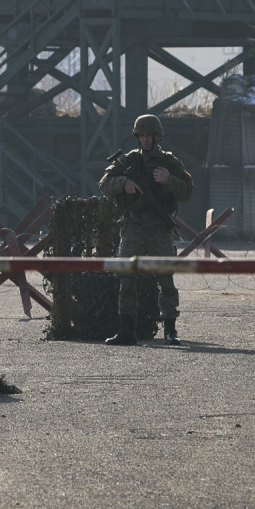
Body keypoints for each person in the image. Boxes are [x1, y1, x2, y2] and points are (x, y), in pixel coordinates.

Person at [99, 114, 193, 346]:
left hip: (159, 227)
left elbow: (187, 192)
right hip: (133, 226)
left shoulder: (170, 163)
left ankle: (170, 330)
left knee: (165, 279)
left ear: (157, 136)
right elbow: (104, 184)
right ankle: (126, 330)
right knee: (127, 278)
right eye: (141, 135)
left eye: (148, 135)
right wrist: (124, 183)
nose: (145, 139)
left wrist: (168, 179)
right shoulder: (129, 161)